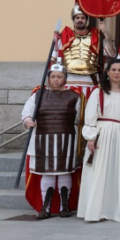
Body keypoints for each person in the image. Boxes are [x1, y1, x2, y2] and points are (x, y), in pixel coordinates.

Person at [21, 62, 84, 219]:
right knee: (46, 173)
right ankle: (45, 207)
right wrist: (28, 120)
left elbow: (80, 119)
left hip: (67, 141)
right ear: (48, 78)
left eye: (59, 77)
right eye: (53, 76)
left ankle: (64, 206)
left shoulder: (74, 96)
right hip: (43, 141)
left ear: (65, 79)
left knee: (65, 172)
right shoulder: (38, 95)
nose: (56, 79)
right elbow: (27, 112)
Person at [78, 58, 120, 223]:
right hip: (101, 133)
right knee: (98, 172)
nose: (116, 73)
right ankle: (95, 211)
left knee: (115, 172)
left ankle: (113, 210)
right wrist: (91, 137)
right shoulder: (98, 92)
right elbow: (90, 116)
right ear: (107, 72)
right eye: (113, 70)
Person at [55, 0, 113, 87]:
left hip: (89, 78)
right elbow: (55, 58)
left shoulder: (95, 36)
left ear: (86, 20)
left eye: (83, 18)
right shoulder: (65, 35)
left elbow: (111, 53)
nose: (80, 20)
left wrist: (106, 33)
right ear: (73, 20)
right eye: (77, 18)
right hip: (69, 78)